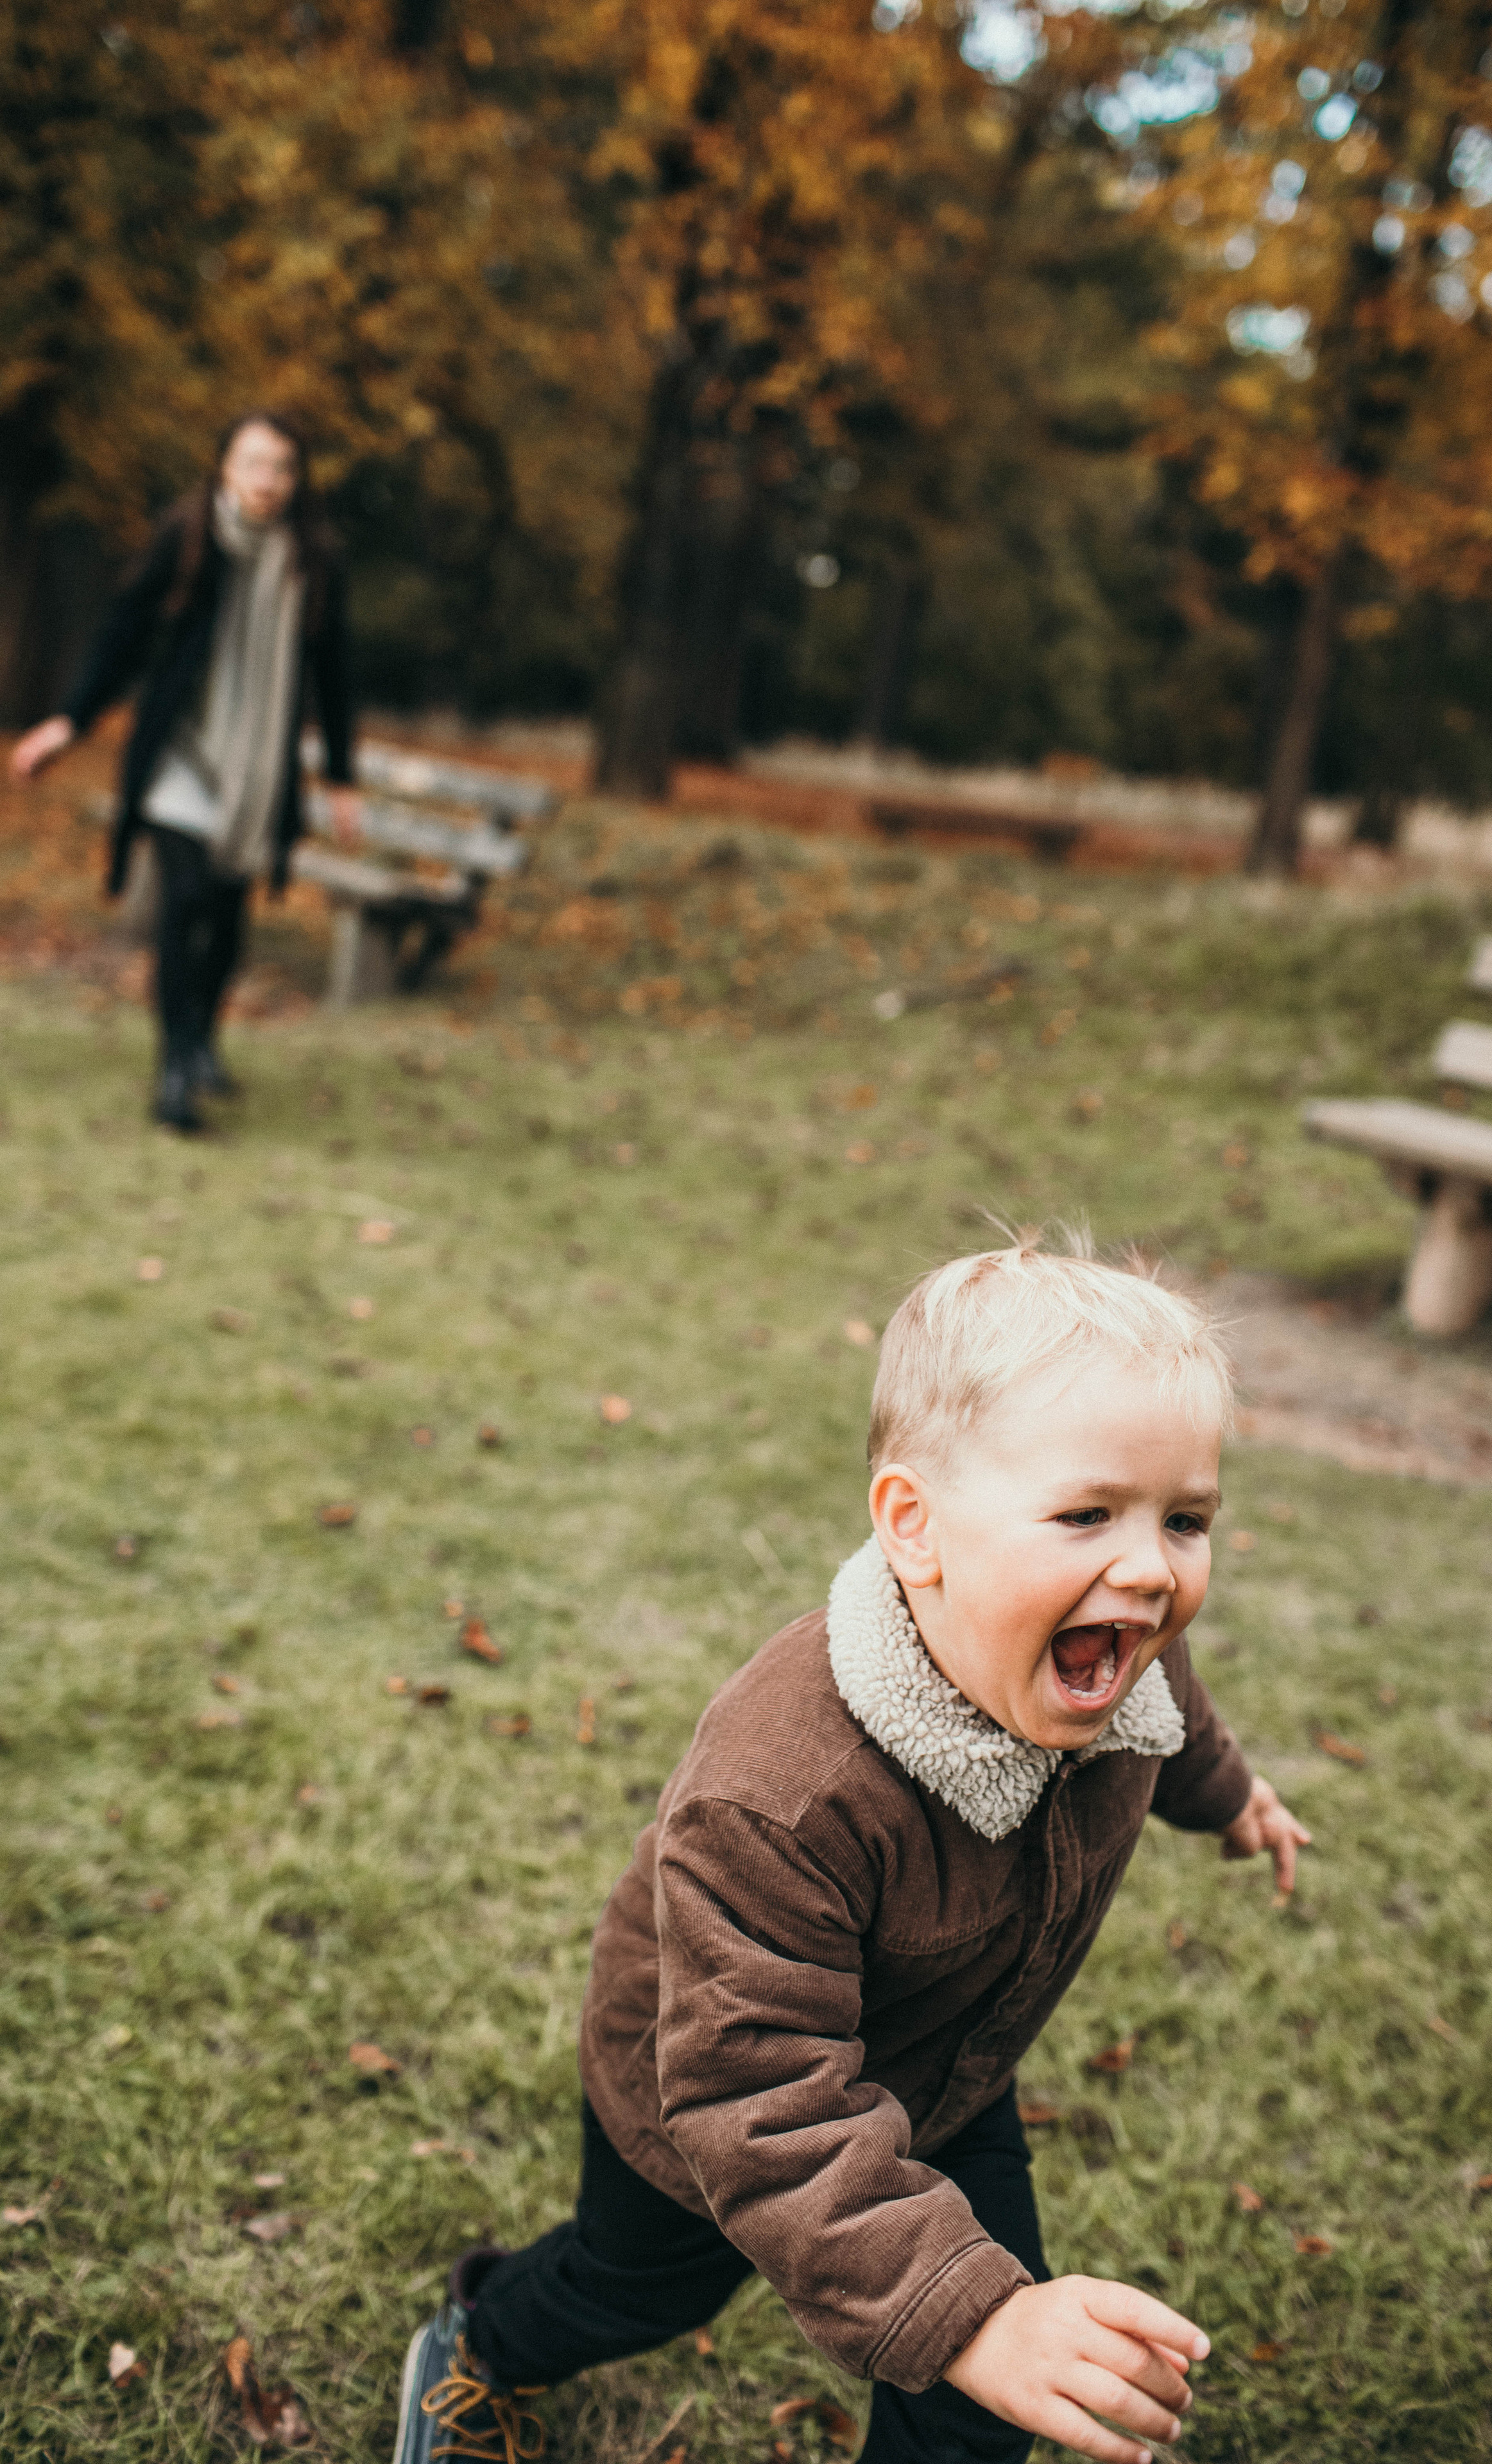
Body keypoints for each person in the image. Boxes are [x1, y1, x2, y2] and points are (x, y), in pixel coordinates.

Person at [392, 1240, 1312, 2464]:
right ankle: (482, 2342)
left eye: (1184, 1519)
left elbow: (1171, 1715)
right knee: (640, 2290)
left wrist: (1231, 1795)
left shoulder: (1114, 1647)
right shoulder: (780, 1797)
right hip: (709, 2101)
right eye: (1088, 1513)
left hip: (945, 2070)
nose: (1149, 1570)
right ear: (915, 1528)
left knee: (984, 2391)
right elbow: (753, 2090)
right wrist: (970, 2312)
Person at [7, 411, 360, 1132]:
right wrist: (69, 722)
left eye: (282, 468)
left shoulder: (313, 563)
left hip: (257, 764)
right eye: (253, 463)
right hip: (182, 754)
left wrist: (341, 776)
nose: (267, 481)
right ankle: (173, 1071)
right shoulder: (190, 539)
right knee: (186, 895)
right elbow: (124, 632)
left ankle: (202, 1035)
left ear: (298, 480)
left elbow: (335, 674)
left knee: (227, 912)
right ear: (224, 469)